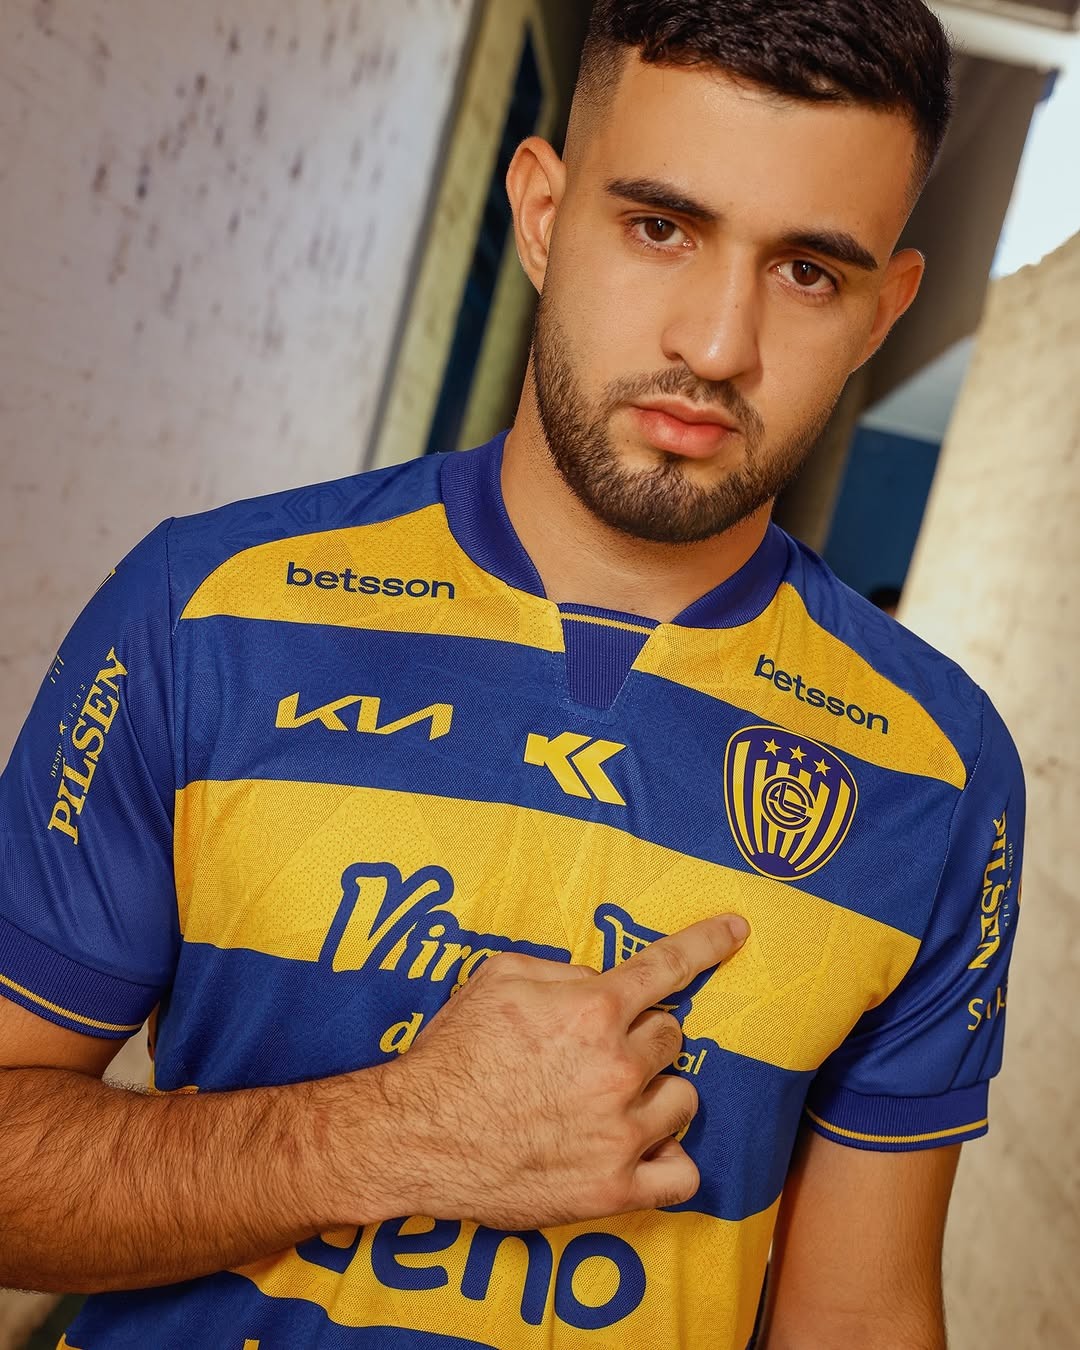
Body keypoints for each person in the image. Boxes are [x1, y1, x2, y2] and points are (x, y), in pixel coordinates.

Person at [0, 1, 1025, 1347]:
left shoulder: (939, 770)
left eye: (807, 271)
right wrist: (397, 1133)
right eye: (660, 227)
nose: (718, 345)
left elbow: (859, 1312)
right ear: (541, 214)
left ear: (885, 308)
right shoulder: (203, 610)